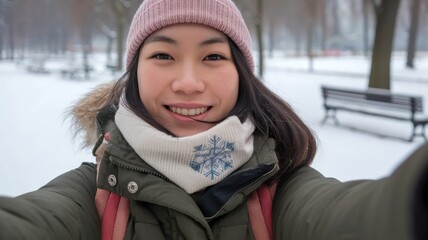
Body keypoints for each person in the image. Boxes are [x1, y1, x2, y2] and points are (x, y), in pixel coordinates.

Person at [0, 0, 427, 239]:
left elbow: (360, 219)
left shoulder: (282, 191)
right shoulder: (94, 194)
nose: (188, 83)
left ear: (241, 75)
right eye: (163, 55)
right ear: (133, 73)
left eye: (213, 56)